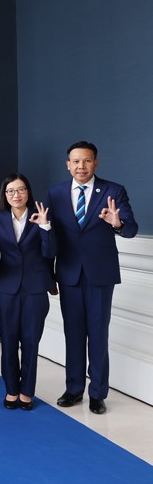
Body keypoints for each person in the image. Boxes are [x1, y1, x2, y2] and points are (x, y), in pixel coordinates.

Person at [48, 141, 137, 415]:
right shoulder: (56, 193)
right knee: (73, 334)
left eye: (87, 161)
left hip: (100, 274)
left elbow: (131, 229)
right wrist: (49, 274)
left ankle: (97, 393)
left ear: (95, 162)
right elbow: (50, 236)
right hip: (69, 274)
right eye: (76, 161)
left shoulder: (114, 190)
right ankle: (74, 389)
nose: (81, 166)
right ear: (68, 164)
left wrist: (117, 223)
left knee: (98, 334)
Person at [0, 173, 56, 411]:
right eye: (11, 191)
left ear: (28, 192)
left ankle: (27, 391)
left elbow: (50, 253)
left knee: (30, 343)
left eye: (21, 189)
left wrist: (45, 227)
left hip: (35, 289)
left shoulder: (41, 216)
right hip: (6, 289)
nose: (16, 195)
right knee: (8, 342)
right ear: (5, 195)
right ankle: (11, 390)